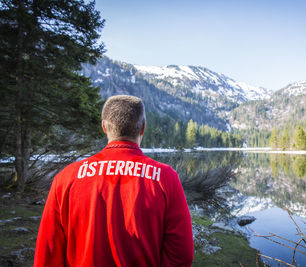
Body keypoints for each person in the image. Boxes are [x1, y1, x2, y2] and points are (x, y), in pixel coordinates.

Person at [34, 95, 194, 267]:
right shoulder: (165, 177)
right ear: (143, 128)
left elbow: (47, 253)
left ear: (104, 127)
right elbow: (182, 255)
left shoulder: (66, 178)